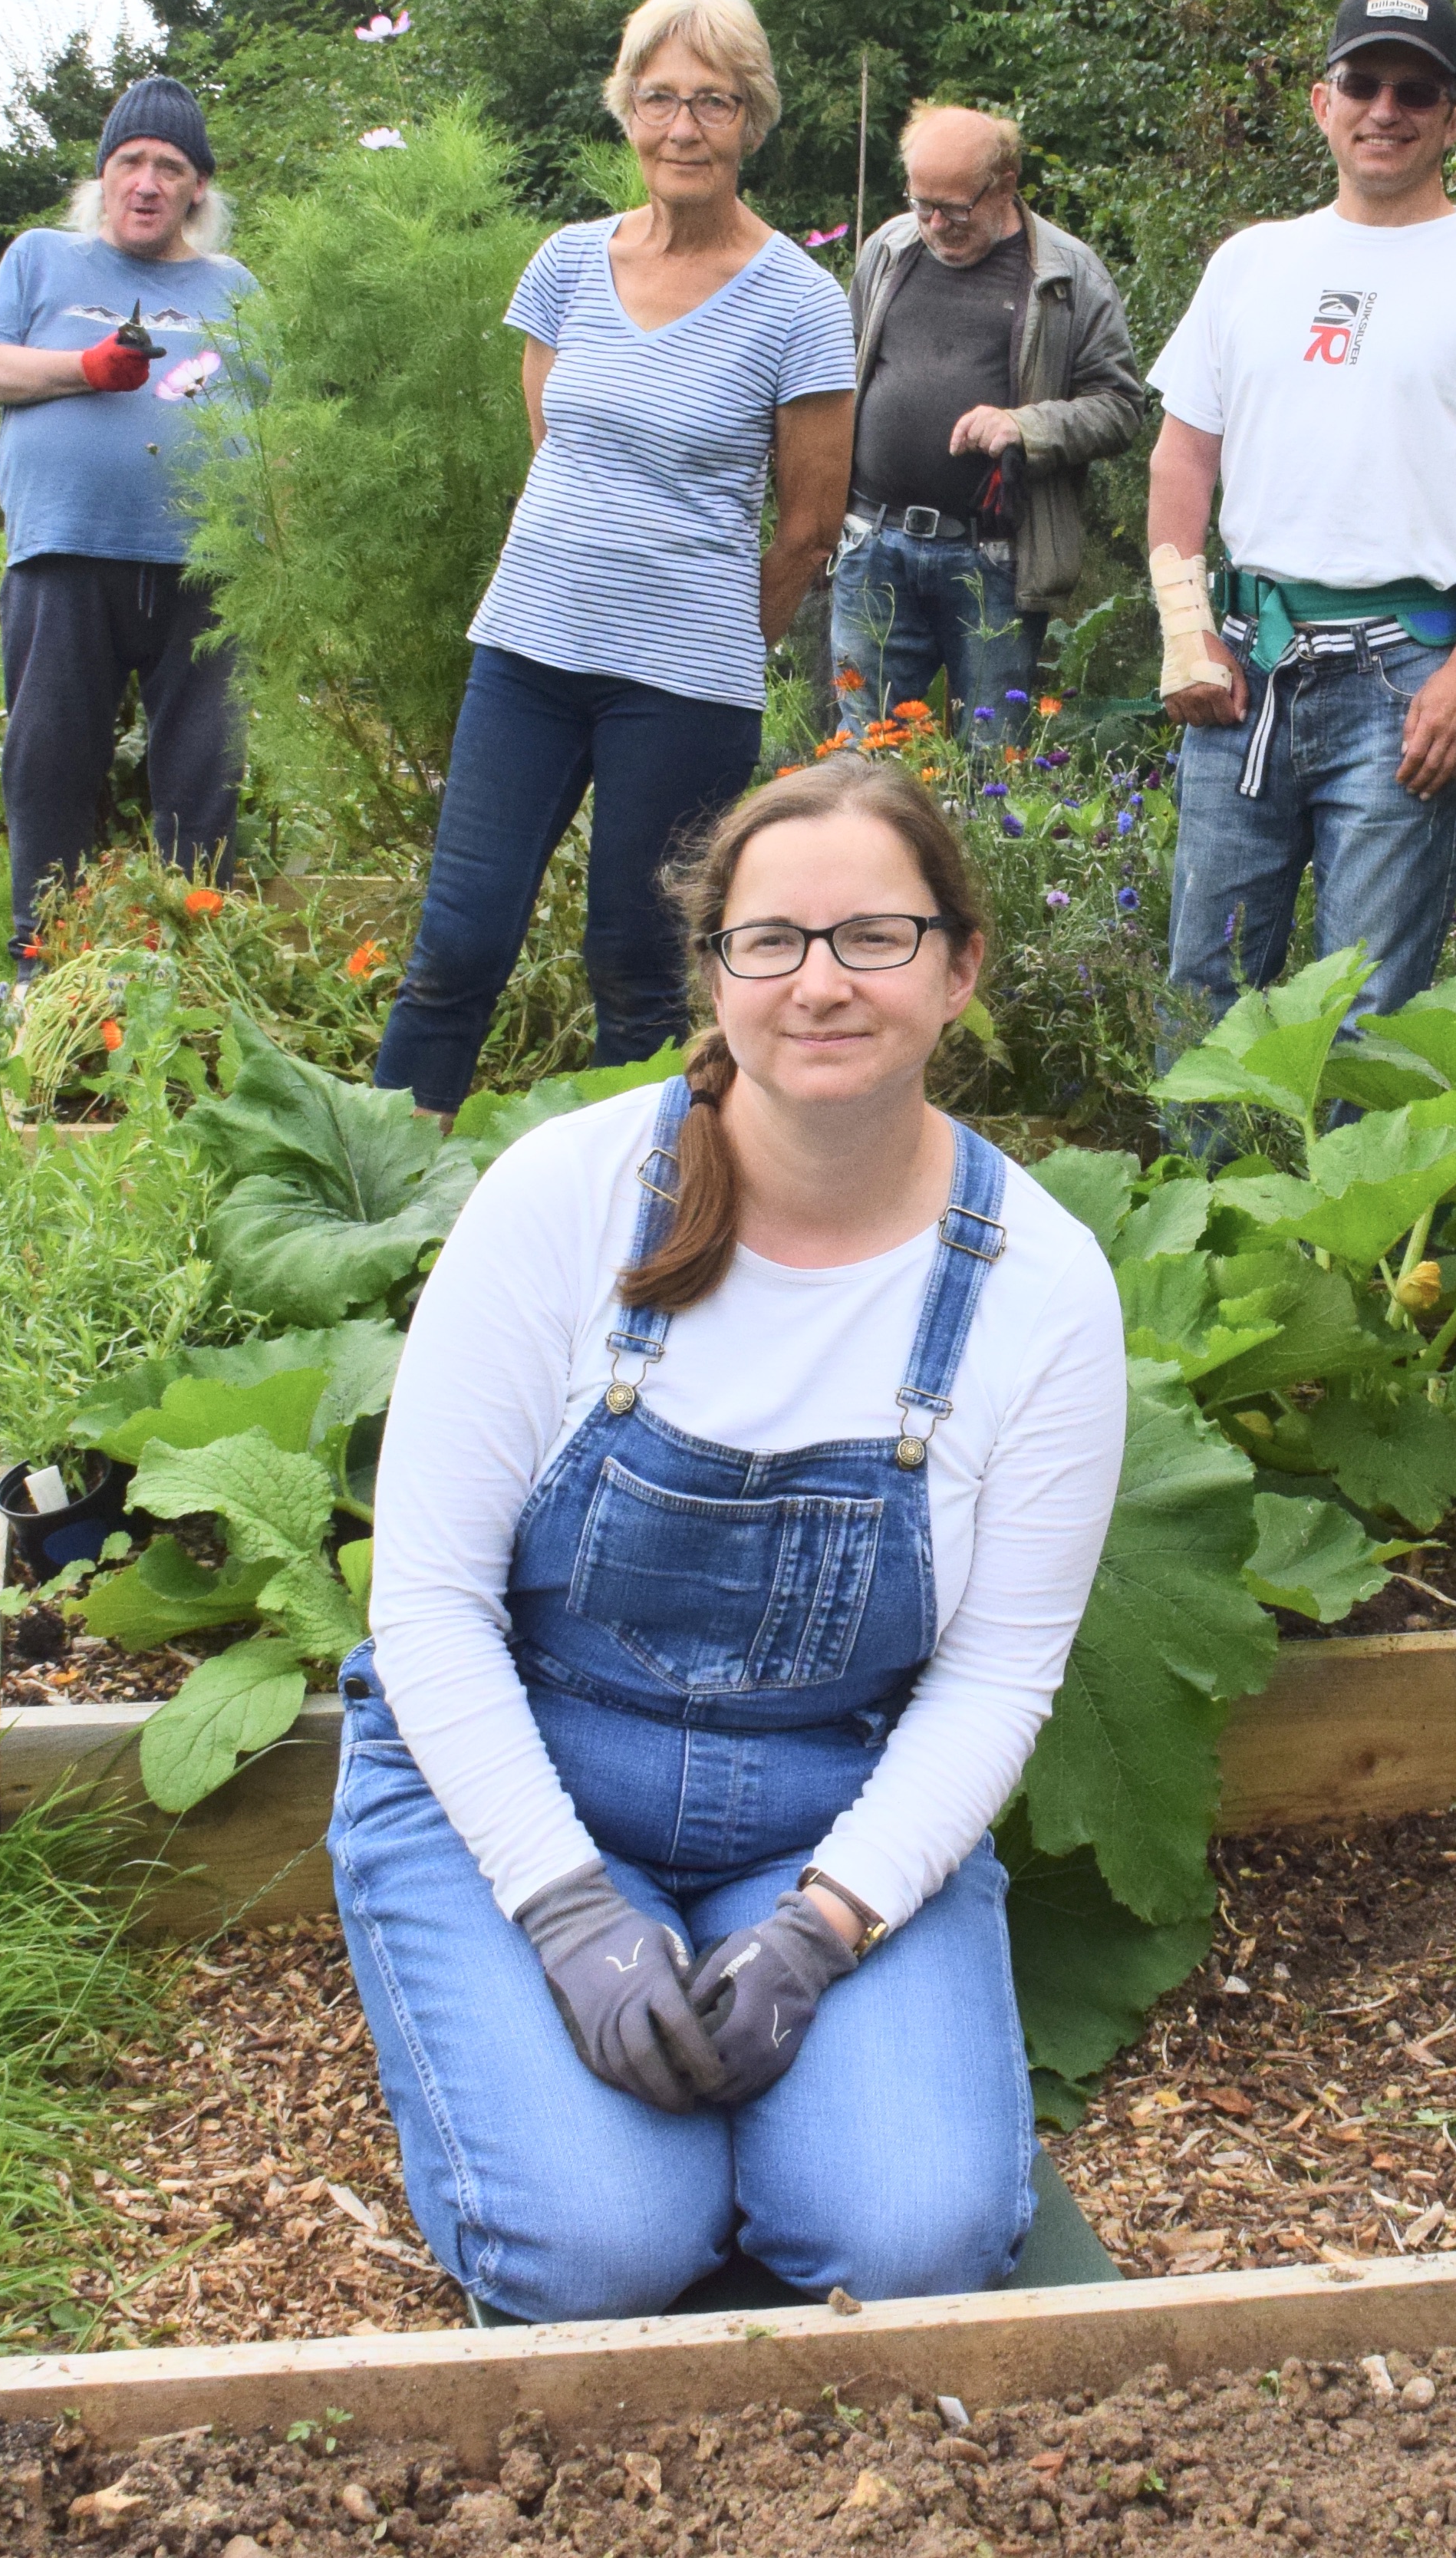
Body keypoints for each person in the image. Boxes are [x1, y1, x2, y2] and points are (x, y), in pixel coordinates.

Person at [333, 756, 1126, 2319]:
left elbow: (996, 1679)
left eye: (874, 937)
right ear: (716, 973)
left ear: (961, 967)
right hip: (528, 1780)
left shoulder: (1042, 1282)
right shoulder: (564, 1197)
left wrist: (825, 1930)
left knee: (918, 2240)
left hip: (818, 1812)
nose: (819, 981)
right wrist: (567, 1908)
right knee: (596, 2249)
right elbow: (425, 1602)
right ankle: (537, 2048)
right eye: (771, 940)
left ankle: (791, 2080)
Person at [371, 0, 858, 1115]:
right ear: (625, 110)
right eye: (659, 99)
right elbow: (554, 439)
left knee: (639, 972)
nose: (683, 129)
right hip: (528, 653)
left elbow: (809, 524)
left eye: (715, 103)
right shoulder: (568, 263)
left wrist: (714, 638)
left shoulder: (801, 302)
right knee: (456, 943)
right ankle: (381, 1208)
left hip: (682, 681)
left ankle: (636, 1225)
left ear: (753, 118)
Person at [1148, 0, 1456, 1037]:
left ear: (1452, 118)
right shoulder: (1250, 263)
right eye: (1363, 82)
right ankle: (1205, 1202)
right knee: (1204, 993)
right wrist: (1183, 630)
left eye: (1415, 89)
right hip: (1244, 668)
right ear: (1322, 101)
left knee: (1370, 1009)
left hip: (1408, 680)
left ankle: (1347, 1207)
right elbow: (1183, 455)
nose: (1384, 109)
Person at [0, 76, 257, 963]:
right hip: (66, 551)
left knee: (204, 769)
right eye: (131, 161)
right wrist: (87, 368)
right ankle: (42, 961)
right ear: (104, 175)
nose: (148, 182)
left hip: (201, 563)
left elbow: (268, 417)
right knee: (50, 759)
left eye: (171, 166)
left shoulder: (234, 286)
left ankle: (194, 963)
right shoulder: (41, 259)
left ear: (198, 187)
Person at [829, 104, 1147, 743]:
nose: (936, 224)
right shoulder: (889, 250)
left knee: (990, 761)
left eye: (954, 207)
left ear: (1005, 181)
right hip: (873, 544)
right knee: (865, 754)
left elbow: (1120, 407)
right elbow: (844, 372)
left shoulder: (1067, 273)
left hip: (993, 557)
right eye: (922, 204)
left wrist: (1025, 426)